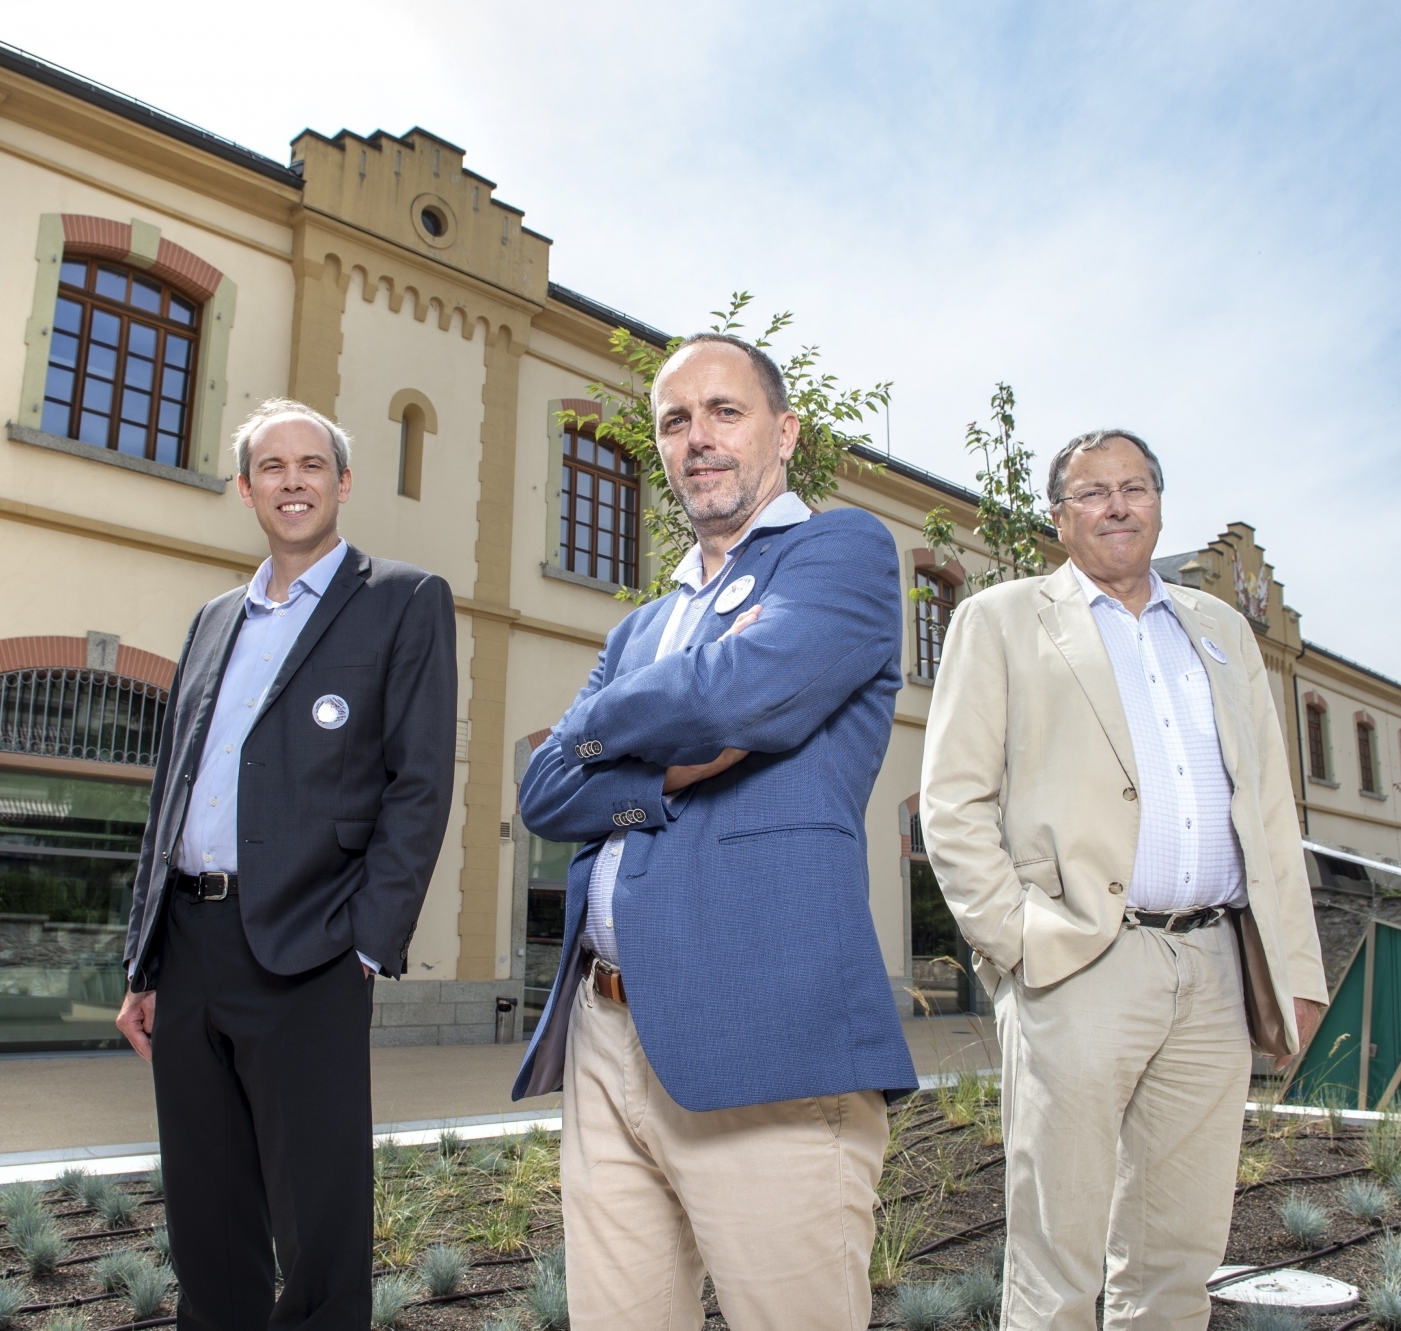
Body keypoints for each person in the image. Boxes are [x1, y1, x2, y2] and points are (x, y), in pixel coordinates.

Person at [512, 333, 918, 1331]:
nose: (698, 438)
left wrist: (602, 731)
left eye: (723, 411)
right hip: (604, 1036)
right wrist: (648, 778)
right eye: (674, 420)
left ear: (781, 431)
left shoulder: (843, 550)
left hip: (762, 1035)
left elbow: (739, 699)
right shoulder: (640, 626)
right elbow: (545, 793)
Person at [917, 428, 1327, 1330]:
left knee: (1179, 1248)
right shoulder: (1001, 618)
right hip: (1081, 960)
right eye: (1093, 492)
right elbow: (951, 804)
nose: (1116, 505)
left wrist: (1295, 966)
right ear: (1061, 516)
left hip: (1216, 961)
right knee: (1057, 1253)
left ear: (1158, 505)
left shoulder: (1220, 630)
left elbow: (1269, 812)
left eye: (1134, 488)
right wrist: (1022, 942)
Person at [116, 398, 457, 1330]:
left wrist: (366, 944)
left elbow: (419, 785)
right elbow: (170, 792)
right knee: (206, 1215)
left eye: (313, 464)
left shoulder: (404, 599)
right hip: (189, 946)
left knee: (319, 1225)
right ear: (246, 489)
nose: (294, 481)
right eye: (273, 467)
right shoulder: (211, 620)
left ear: (344, 482)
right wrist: (145, 962)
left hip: (311, 948)